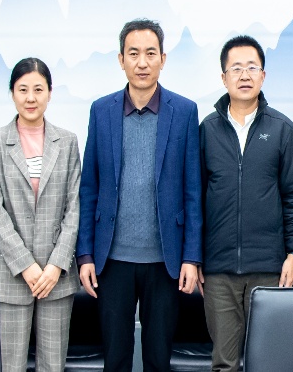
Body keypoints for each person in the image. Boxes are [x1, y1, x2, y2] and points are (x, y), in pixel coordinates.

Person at [77, 19, 202, 372]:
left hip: (165, 260)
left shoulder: (184, 111)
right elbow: (89, 187)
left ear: (163, 58)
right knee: (115, 359)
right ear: (121, 60)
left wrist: (191, 257)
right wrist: (85, 254)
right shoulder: (101, 110)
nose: (142, 62)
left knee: (158, 359)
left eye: (150, 53)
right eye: (133, 54)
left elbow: (192, 191)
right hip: (112, 258)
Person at [199, 36, 293, 372]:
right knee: (224, 363)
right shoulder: (207, 130)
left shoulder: (283, 130)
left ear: (263, 75)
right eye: (236, 68)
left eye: (251, 68)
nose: (244, 75)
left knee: (270, 361)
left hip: (270, 268)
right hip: (219, 271)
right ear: (223, 78)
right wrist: (195, 257)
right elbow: (195, 199)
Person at [0, 58, 83, 372]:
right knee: (9, 366)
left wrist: (56, 265)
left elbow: (74, 207)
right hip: (9, 275)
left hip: (55, 278)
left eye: (38, 89)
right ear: (12, 93)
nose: (30, 97)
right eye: (23, 89)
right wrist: (26, 265)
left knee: (53, 366)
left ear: (50, 93)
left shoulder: (67, 142)